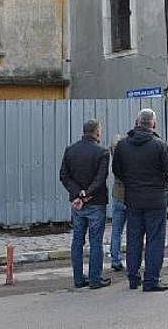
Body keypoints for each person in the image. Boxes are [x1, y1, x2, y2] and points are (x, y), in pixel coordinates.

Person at [112, 109, 168, 292]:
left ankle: (133, 278)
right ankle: (151, 280)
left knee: (133, 239)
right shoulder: (160, 145)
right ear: (153, 124)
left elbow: (117, 172)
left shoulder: (122, 146)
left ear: (137, 122)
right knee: (155, 240)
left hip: (133, 199)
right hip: (156, 200)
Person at [59, 119, 111, 289]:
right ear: (97, 132)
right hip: (95, 202)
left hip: (76, 204)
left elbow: (64, 176)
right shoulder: (102, 152)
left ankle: (78, 279)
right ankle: (95, 279)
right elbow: (100, 178)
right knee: (95, 241)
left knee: (77, 240)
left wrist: (77, 194)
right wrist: (86, 194)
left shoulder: (70, 150)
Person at [109, 134, 126, 272]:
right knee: (133, 231)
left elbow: (114, 142)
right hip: (131, 197)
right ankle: (132, 258)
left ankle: (115, 259)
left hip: (117, 196)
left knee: (116, 230)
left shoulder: (114, 159)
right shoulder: (131, 159)